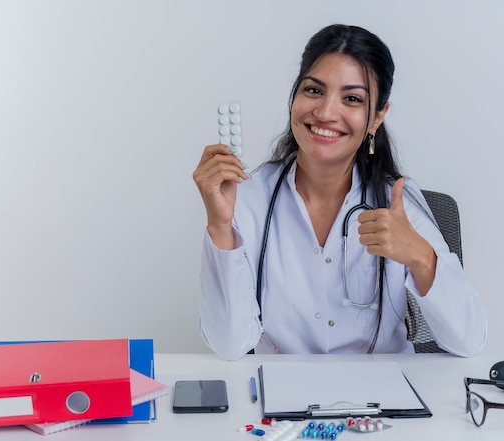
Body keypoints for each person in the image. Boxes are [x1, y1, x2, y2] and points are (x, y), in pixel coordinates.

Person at [193, 24, 487, 361]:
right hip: (283, 400)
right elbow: (229, 346)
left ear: (377, 118)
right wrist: (219, 226)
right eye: (314, 91)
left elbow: (470, 340)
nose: (326, 112)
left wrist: (420, 255)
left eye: (352, 98)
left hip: (381, 401)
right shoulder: (249, 199)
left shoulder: (398, 204)